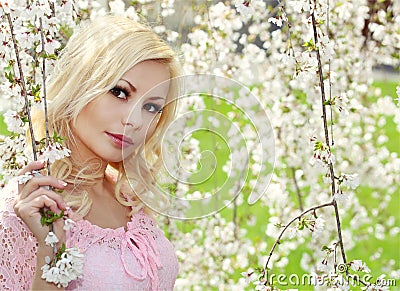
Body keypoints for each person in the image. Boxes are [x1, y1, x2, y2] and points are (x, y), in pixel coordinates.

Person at [0, 15, 181, 290]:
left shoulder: (128, 196)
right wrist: (52, 250)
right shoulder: (24, 209)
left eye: (151, 107)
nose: (134, 120)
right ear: (80, 85)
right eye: (120, 92)